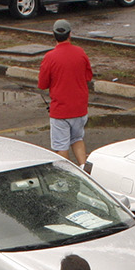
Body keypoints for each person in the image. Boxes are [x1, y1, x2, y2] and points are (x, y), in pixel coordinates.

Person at [38, 20, 92, 165]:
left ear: (54, 36)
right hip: (80, 108)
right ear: (70, 34)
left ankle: (68, 175)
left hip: (60, 111)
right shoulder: (80, 52)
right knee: (77, 139)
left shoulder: (50, 57)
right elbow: (88, 76)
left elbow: (42, 84)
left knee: (61, 147)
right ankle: (83, 167)